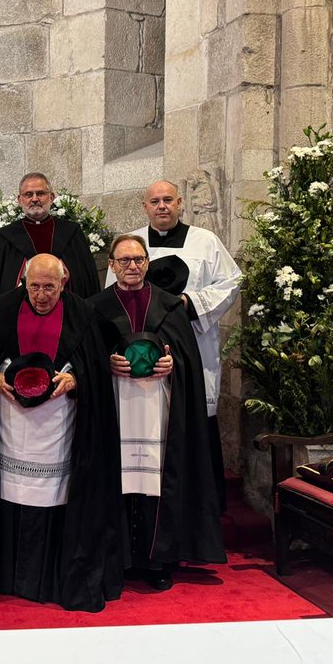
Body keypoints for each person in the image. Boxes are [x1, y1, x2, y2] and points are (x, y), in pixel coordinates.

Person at [0, 254, 124, 612]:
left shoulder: (83, 315)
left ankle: (48, 576)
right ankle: (5, 574)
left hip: (60, 427)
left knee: (54, 496)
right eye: (35, 287)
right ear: (23, 283)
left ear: (63, 283)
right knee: (8, 493)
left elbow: (96, 369)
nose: (41, 296)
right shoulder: (0, 311)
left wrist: (76, 379)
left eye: (49, 288)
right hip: (10, 427)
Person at [90, 234, 225, 591]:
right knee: (117, 478)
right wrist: (106, 363)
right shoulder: (96, 307)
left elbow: (185, 357)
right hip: (116, 407)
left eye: (138, 260)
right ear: (111, 264)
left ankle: (156, 559)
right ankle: (117, 556)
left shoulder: (169, 306)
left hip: (158, 411)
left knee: (156, 482)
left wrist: (172, 363)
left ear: (147, 263)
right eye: (124, 260)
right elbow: (86, 357)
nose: (132, 266)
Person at [112, 180, 242, 506]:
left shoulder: (205, 241)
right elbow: (112, 296)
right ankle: (144, 501)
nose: (162, 206)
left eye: (168, 200)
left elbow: (231, 281)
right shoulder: (130, 244)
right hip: (141, 350)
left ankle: (200, 502)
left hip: (193, 341)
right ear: (145, 206)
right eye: (155, 201)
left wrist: (189, 303)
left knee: (193, 414)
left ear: (180, 203)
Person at [0, 172, 100, 303]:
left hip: (66, 307)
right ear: (20, 200)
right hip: (20, 309)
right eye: (28, 194)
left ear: (51, 197)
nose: (34, 199)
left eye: (40, 193)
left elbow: (85, 279)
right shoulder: (5, 237)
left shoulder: (71, 232)